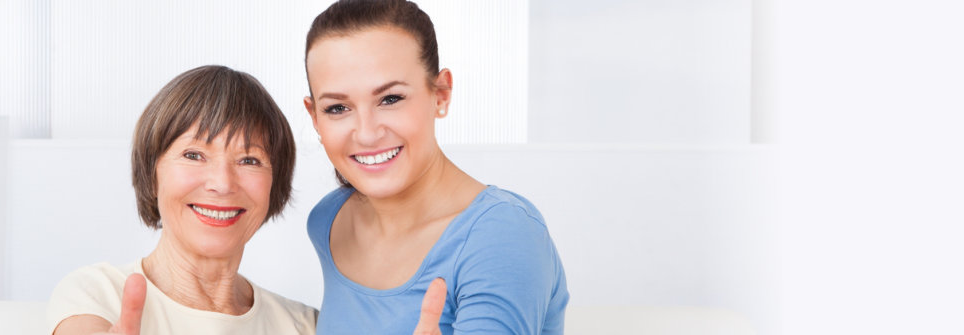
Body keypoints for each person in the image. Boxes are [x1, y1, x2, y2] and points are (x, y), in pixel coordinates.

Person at [300, 1, 571, 334]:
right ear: (314, 117)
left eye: (390, 99)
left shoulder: (502, 235)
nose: (367, 133)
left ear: (441, 94)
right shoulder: (329, 222)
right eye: (338, 107)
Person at [45, 65, 316, 335]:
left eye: (249, 160)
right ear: (152, 173)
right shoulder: (98, 295)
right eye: (194, 155)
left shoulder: (304, 324)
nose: (222, 184)